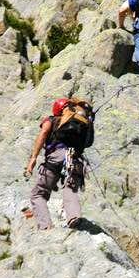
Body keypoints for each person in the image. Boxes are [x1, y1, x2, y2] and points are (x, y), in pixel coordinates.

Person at [25, 97, 94, 230]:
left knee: (39, 194)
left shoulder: (52, 119)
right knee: (70, 188)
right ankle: (73, 216)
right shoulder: (83, 122)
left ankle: (45, 226)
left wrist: (33, 158)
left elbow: (44, 133)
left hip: (56, 157)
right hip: (75, 158)